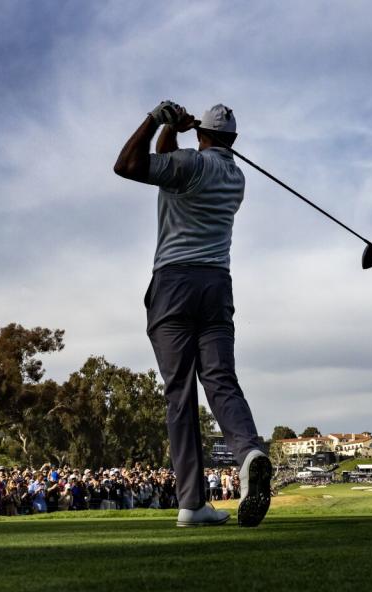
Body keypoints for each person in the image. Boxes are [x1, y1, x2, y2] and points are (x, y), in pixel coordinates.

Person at [114, 101, 272, 527]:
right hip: (216, 285)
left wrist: (154, 119)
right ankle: (249, 452)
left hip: (173, 284)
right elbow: (169, 164)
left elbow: (127, 165)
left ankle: (191, 502)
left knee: (179, 393)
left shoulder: (189, 165)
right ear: (233, 141)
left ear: (202, 134)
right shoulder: (236, 179)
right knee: (220, 379)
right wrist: (178, 131)